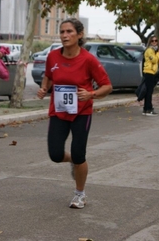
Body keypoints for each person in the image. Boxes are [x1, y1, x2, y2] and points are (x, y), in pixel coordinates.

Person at [37, 18, 112, 209]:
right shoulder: (53, 56)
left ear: (79, 35)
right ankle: (72, 161)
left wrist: (91, 94)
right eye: (62, 32)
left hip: (81, 113)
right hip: (58, 111)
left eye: (69, 31)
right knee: (55, 154)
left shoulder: (88, 60)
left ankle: (80, 194)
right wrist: (44, 88)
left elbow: (107, 86)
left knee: (80, 155)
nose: (64, 35)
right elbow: (48, 75)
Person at [142, 35, 159, 116]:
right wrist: (158, 53)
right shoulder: (149, 50)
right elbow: (154, 60)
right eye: (152, 41)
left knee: (149, 91)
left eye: (156, 41)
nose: (154, 42)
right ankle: (148, 109)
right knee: (149, 92)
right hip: (148, 72)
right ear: (150, 42)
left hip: (153, 72)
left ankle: (146, 108)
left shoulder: (155, 51)